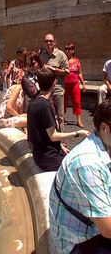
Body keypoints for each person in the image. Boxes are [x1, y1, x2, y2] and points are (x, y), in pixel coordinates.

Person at [49, 99, 111, 254]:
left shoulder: (105, 146)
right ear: (105, 129)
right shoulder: (87, 163)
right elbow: (108, 229)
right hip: (79, 240)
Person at [27, 68, 90, 172]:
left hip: (39, 155)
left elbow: (40, 132)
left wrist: (60, 146)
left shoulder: (33, 102)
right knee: (82, 166)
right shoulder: (44, 105)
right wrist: (78, 133)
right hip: (48, 159)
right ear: (54, 83)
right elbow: (53, 136)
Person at [40, 33, 69, 132]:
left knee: (59, 115)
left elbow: (67, 72)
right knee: (46, 113)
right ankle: (49, 135)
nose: (48, 43)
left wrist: (53, 69)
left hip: (57, 89)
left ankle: (61, 138)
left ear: (55, 42)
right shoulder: (42, 54)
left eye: (50, 41)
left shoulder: (61, 55)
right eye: (46, 41)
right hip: (45, 90)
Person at [64, 43, 86, 128]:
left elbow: (79, 73)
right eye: (66, 49)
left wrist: (83, 84)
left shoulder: (77, 61)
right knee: (63, 101)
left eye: (69, 49)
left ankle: (79, 120)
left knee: (77, 101)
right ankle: (63, 118)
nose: (67, 51)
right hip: (65, 84)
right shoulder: (63, 60)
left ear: (73, 51)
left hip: (75, 84)